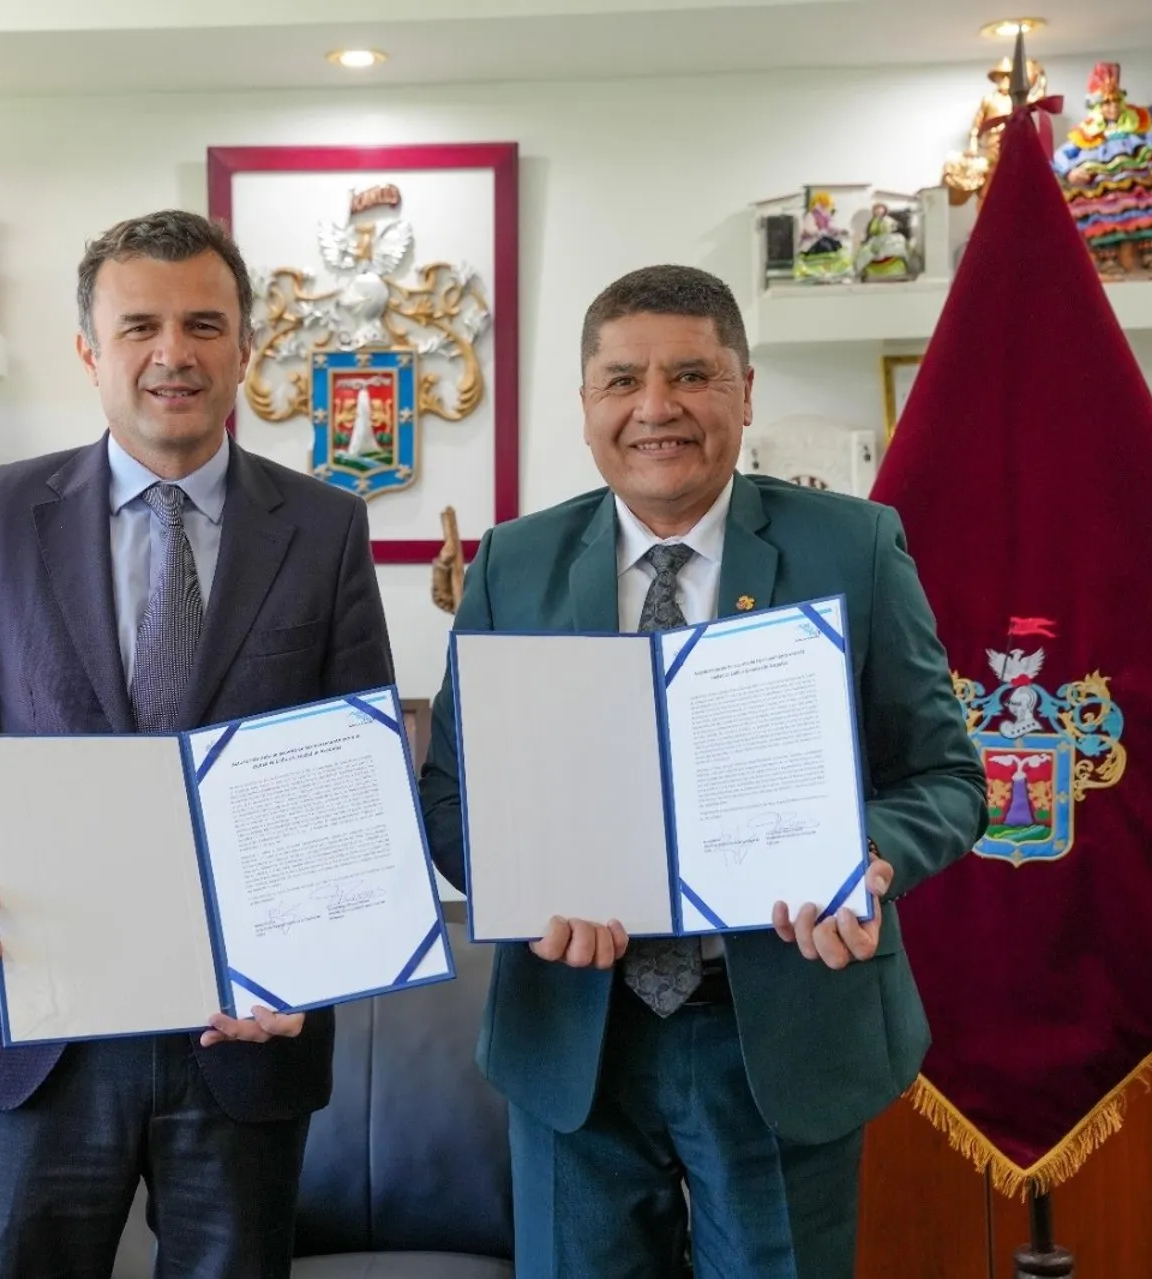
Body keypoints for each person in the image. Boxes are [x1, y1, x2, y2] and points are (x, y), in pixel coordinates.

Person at [417, 264, 987, 1278]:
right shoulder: (512, 563)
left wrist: (870, 854)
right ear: (586, 405)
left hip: (781, 1025)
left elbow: (946, 776)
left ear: (745, 391)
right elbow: (454, 797)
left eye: (692, 375)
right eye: (622, 381)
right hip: (575, 1032)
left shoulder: (850, 545)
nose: (656, 408)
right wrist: (532, 885)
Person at [0, 208, 396, 1278]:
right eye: (141, 327)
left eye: (206, 323)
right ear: (89, 351)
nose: (175, 353)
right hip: (34, 1017)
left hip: (243, 1032)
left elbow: (360, 776)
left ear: (246, 349)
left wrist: (313, 960)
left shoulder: (325, 528)